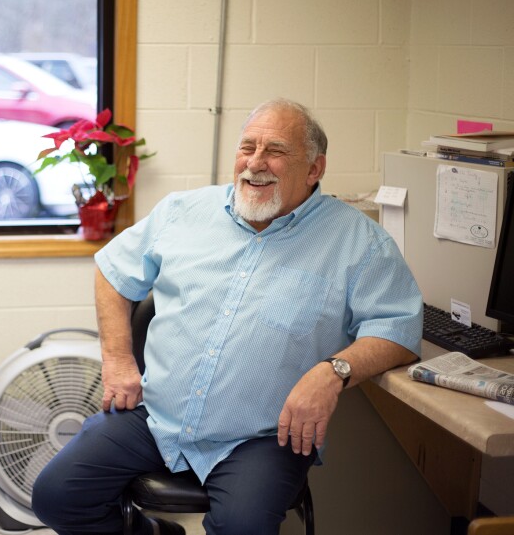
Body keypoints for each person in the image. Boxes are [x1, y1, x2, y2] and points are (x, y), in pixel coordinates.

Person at [31, 98, 423, 535]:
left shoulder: (359, 242)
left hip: (263, 437)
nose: (255, 163)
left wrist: (333, 372)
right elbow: (112, 271)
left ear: (314, 169)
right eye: (247, 147)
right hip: (157, 416)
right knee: (57, 497)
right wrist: (119, 360)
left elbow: (399, 330)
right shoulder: (183, 212)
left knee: (242, 527)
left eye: (275, 151)